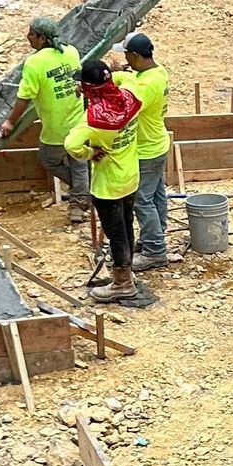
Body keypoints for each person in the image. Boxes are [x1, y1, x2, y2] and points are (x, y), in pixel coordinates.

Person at [63, 57, 143, 302]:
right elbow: (126, 78)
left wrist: (90, 153)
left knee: (115, 232)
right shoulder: (130, 98)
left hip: (108, 185)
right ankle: (127, 271)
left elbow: (71, 144)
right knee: (127, 224)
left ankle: (122, 283)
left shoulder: (92, 120)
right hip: (130, 176)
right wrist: (110, 74)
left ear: (88, 88)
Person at [0, 17, 89, 217]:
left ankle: (81, 191)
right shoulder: (71, 51)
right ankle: (79, 202)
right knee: (79, 161)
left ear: (41, 38)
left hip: (56, 127)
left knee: (48, 159)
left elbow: (24, 97)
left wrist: (10, 122)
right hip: (78, 120)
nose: (28, 37)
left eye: (31, 33)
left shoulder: (34, 62)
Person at [120, 32, 170, 266]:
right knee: (156, 194)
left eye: (128, 56)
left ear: (137, 56)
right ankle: (156, 236)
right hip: (157, 143)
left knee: (142, 200)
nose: (126, 60)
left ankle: (154, 251)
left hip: (147, 150)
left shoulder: (147, 85)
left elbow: (127, 107)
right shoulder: (156, 72)